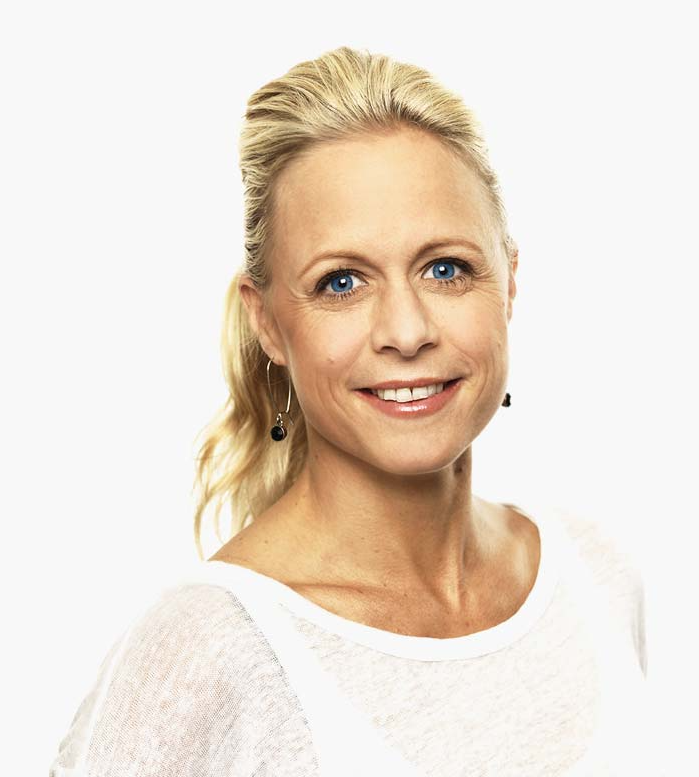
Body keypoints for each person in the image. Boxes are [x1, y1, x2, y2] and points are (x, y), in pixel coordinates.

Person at [49, 46, 659, 776]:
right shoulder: (210, 646)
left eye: (445, 268)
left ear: (508, 282)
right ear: (267, 321)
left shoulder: (596, 574)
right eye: (341, 281)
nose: (405, 330)